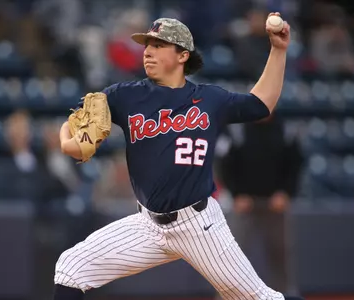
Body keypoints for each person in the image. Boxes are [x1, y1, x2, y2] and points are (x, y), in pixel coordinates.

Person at [55, 14, 303, 300]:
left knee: (259, 298)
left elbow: (261, 104)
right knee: (71, 267)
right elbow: (77, 139)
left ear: (183, 55)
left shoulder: (210, 99)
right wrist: (67, 137)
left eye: (159, 45)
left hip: (199, 226)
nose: (148, 51)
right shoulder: (123, 96)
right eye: (147, 44)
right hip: (147, 226)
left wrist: (279, 50)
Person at [217, 112, 304, 295]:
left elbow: (296, 164)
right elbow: (224, 164)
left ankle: (284, 296)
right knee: (232, 256)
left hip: (275, 205)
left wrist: (286, 192)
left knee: (280, 257)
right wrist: (236, 194)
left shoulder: (286, 130)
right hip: (244, 205)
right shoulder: (237, 130)